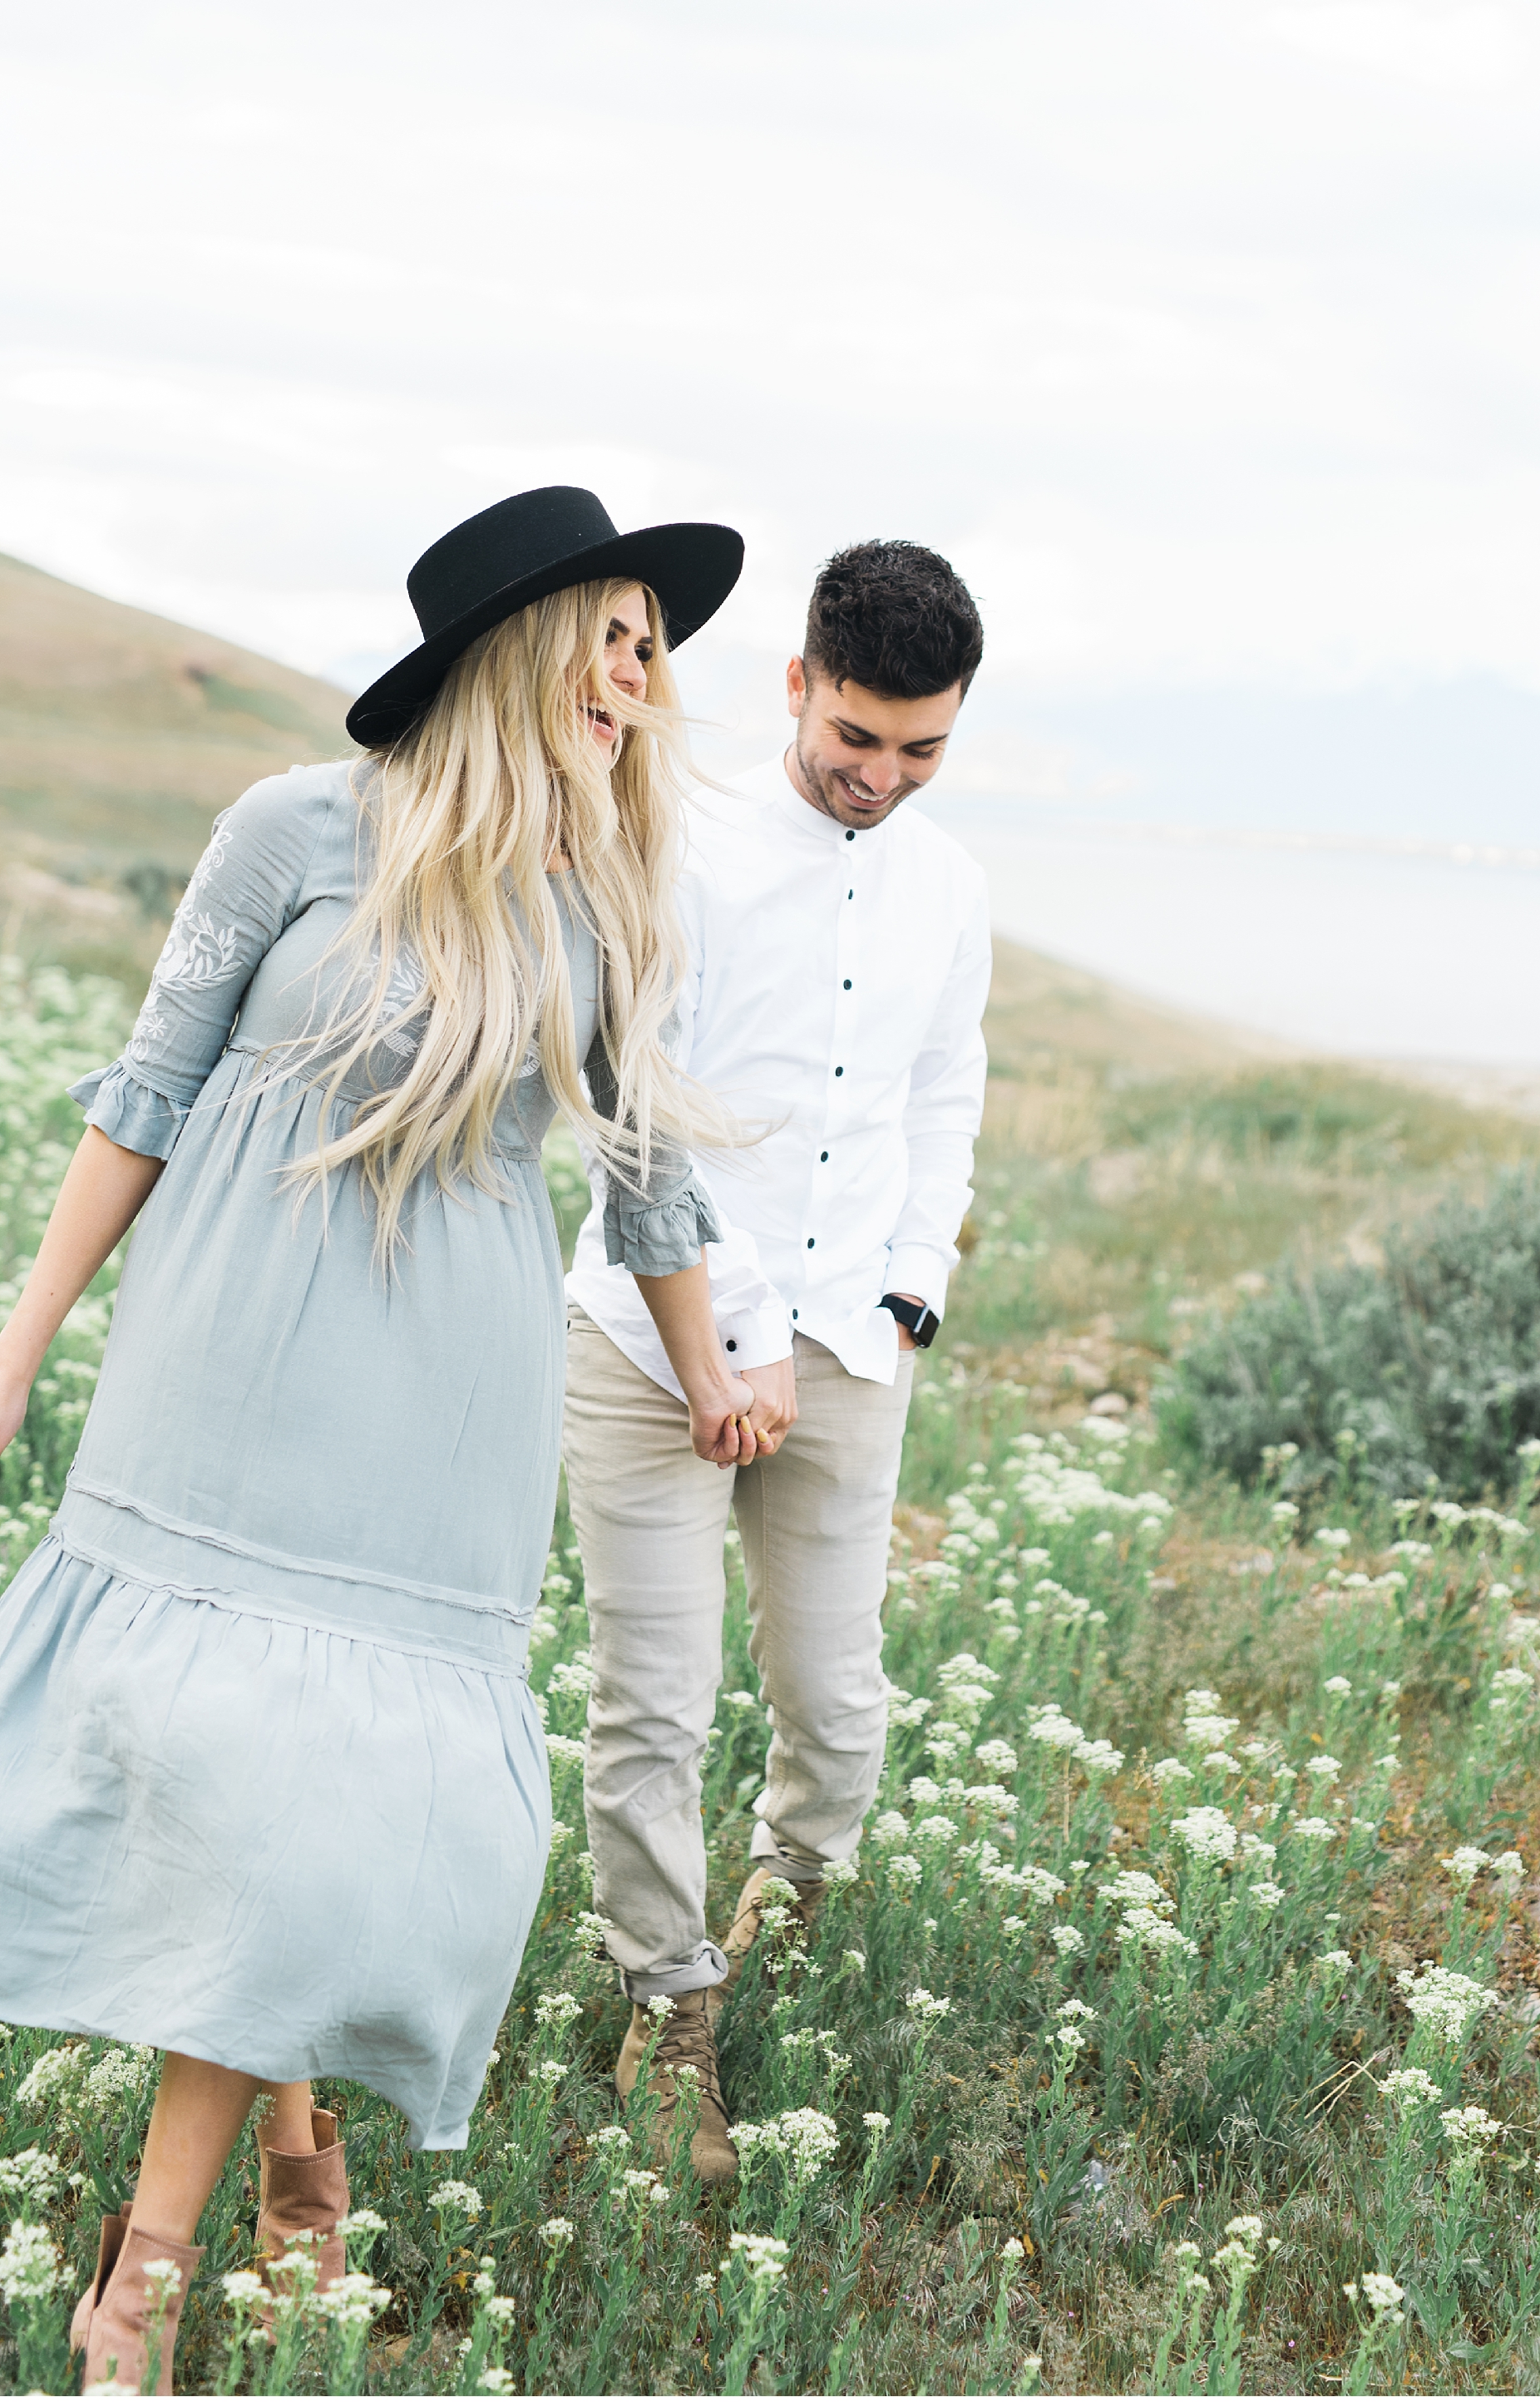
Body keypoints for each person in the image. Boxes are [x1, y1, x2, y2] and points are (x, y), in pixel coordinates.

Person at [0, 485, 770, 2394]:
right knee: (228, 1777)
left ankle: (144, 2272)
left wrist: (709, 1370)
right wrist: (8, 1359)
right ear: (516, 650)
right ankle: (284, 2132)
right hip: (224, 1342)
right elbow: (145, 1094)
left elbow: (651, 1191)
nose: (638, 679)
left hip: (440, 1391)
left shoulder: (612, 902)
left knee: (311, 1798)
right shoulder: (294, 827)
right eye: (611, 637)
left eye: (652, 650)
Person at [564, 536, 990, 2181]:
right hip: (647, 1342)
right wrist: (726, 1348)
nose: (880, 778)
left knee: (838, 1708)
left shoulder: (949, 885)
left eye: (921, 749)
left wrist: (902, 1301)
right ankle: (668, 2029)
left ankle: (768, 1952)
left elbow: (941, 1096)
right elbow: (628, 1103)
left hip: (846, 1351)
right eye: (855, 738)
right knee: (653, 1710)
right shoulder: (668, 838)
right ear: (795, 682)